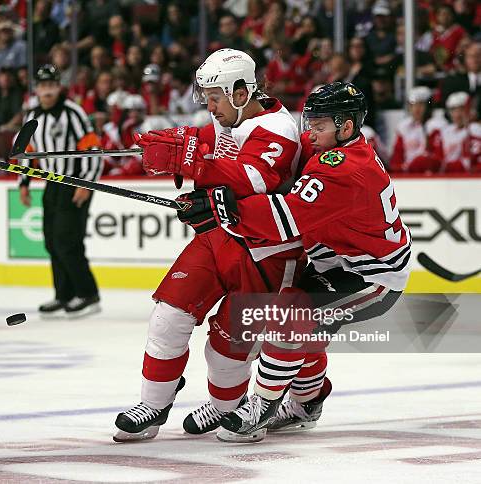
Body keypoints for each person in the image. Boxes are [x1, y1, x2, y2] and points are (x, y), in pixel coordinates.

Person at [177, 81, 411, 442]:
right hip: (333, 262)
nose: (309, 132)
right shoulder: (327, 147)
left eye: (319, 125)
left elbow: (283, 218)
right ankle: (305, 404)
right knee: (286, 321)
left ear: (346, 127)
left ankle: (263, 405)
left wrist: (220, 208)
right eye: (309, 121)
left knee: (292, 314)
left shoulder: (347, 168)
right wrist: (201, 154)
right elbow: (265, 163)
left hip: (372, 276)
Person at [113, 48, 306, 442]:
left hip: (265, 253)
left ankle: (226, 408)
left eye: (214, 96)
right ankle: (153, 404)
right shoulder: (231, 118)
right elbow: (208, 145)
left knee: (225, 352)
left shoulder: (277, 128)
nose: (209, 105)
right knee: (168, 317)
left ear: (240, 92)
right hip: (219, 240)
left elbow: (252, 179)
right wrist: (176, 142)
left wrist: (191, 163)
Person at [19, 65, 102, 318]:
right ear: (37, 89)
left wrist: (85, 183)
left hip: (74, 183)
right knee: (52, 241)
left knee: (68, 241)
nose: (47, 90)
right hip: (50, 184)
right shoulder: (32, 116)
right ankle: (63, 295)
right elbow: (27, 151)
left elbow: (91, 149)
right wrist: (24, 182)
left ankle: (88, 294)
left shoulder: (72, 112)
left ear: (58, 86)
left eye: (51, 85)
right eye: (42, 86)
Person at [389, 86, 446, 173]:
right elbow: (397, 157)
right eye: (413, 105)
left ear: (429, 106)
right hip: (407, 174)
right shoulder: (403, 127)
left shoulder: (437, 126)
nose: (416, 109)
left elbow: (438, 158)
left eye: (421, 104)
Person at [436, 91, 481, 173]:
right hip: (447, 177)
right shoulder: (445, 131)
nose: (457, 115)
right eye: (453, 110)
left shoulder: (475, 130)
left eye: (461, 110)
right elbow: (439, 159)